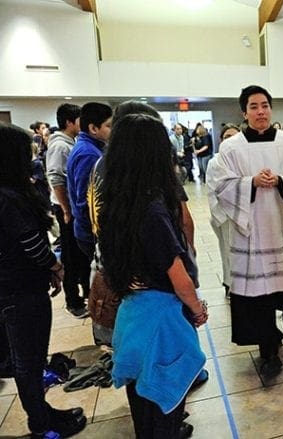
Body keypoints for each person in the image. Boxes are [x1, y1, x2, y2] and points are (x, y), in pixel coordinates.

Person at [98, 114, 206, 439]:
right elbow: (179, 277)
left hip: (132, 315)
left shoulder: (114, 202)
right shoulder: (152, 209)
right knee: (165, 396)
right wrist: (197, 309)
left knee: (140, 390)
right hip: (162, 317)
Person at [208, 85, 283, 378]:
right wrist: (250, 183)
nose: (260, 111)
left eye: (265, 105)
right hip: (249, 231)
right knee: (256, 294)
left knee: (277, 289)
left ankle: (275, 329)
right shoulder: (231, 147)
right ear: (244, 112)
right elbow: (221, 186)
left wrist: (280, 181)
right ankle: (268, 348)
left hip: (279, 226)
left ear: (271, 109)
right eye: (254, 106)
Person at [0, 122, 87, 438]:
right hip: (19, 288)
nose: (35, 155)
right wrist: (55, 266)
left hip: (20, 286)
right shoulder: (7, 198)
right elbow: (31, 243)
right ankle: (40, 422)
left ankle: (43, 413)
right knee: (28, 360)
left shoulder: (12, 192)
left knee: (32, 358)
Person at [46, 103, 91, 318]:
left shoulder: (70, 143)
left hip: (71, 207)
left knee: (79, 254)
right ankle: (73, 300)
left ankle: (83, 294)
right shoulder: (60, 146)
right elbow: (55, 178)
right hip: (66, 208)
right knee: (71, 255)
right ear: (69, 122)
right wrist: (66, 209)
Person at [66, 102, 112, 259]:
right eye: (109, 126)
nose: (113, 131)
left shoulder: (90, 147)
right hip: (91, 233)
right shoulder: (89, 154)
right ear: (93, 128)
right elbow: (87, 201)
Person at [206, 123, 241, 296]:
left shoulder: (244, 157)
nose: (231, 140)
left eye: (235, 136)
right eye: (227, 137)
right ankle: (230, 283)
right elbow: (213, 191)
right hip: (226, 217)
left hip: (246, 215)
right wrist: (223, 215)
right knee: (228, 252)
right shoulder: (215, 162)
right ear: (221, 140)